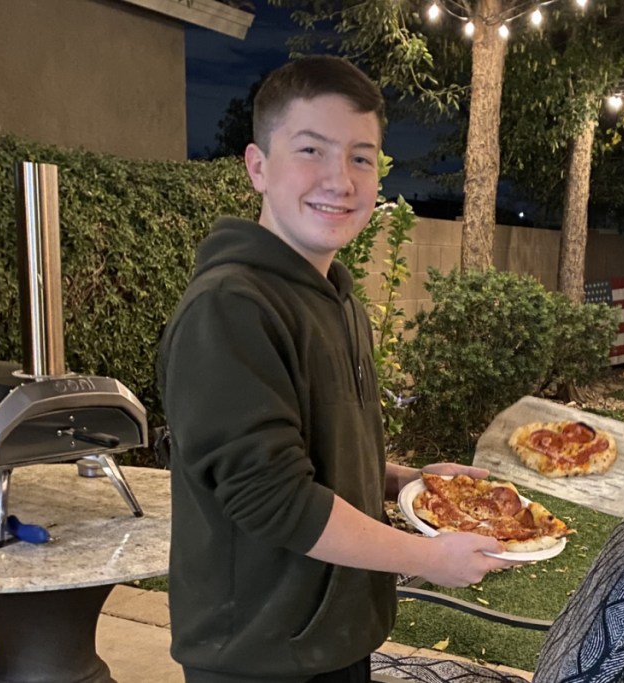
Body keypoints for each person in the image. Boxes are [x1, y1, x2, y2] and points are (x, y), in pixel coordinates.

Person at [157, 55, 515, 683]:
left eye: (361, 157)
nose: (341, 180)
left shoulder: (336, 296)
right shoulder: (230, 309)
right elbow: (274, 499)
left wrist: (412, 481)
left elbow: (318, 455)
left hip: (334, 639)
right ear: (258, 167)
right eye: (311, 150)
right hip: (259, 657)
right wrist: (427, 556)